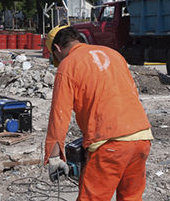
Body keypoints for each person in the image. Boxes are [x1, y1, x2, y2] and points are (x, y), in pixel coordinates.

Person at [44, 25, 152, 200]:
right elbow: (132, 93)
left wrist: (54, 156)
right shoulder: (114, 54)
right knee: (131, 197)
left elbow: (59, 114)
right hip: (141, 136)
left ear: (57, 48)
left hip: (110, 143)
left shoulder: (68, 64)